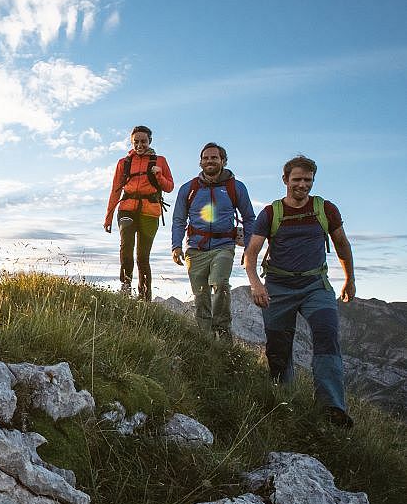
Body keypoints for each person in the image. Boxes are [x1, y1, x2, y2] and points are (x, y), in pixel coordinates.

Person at [243, 155, 355, 428]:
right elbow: (252, 252)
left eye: (308, 180)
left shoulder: (325, 209)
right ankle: (285, 401)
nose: (302, 185)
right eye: (297, 179)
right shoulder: (271, 213)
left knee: (327, 334)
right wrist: (256, 283)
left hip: (315, 285)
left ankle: (331, 408)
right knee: (278, 349)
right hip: (279, 288)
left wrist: (349, 280)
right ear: (285, 180)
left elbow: (341, 244)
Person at [171, 143, 255, 342]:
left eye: (214, 158)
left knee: (220, 283)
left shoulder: (236, 187)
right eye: (206, 158)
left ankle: (223, 333)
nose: (210, 161)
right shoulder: (188, 189)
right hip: (195, 249)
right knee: (200, 296)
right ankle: (205, 340)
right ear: (200, 162)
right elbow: (178, 219)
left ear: (223, 161)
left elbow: (249, 218)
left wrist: (249, 249)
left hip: (224, 246)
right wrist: (176, 245)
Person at [104, 125, 174, 302]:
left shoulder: (161, 161)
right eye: (136, 141)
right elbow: (115, 190)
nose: (140, 145)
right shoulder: (123, 162)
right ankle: (125, 287)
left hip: (150, 212)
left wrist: (159, 176)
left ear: (150, 141)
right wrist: (109, 216)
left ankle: (144, 299)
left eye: (143, 141)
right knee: (126, 247)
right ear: (131, 142)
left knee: (143, 256)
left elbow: (169, 187)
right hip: (126, 208)